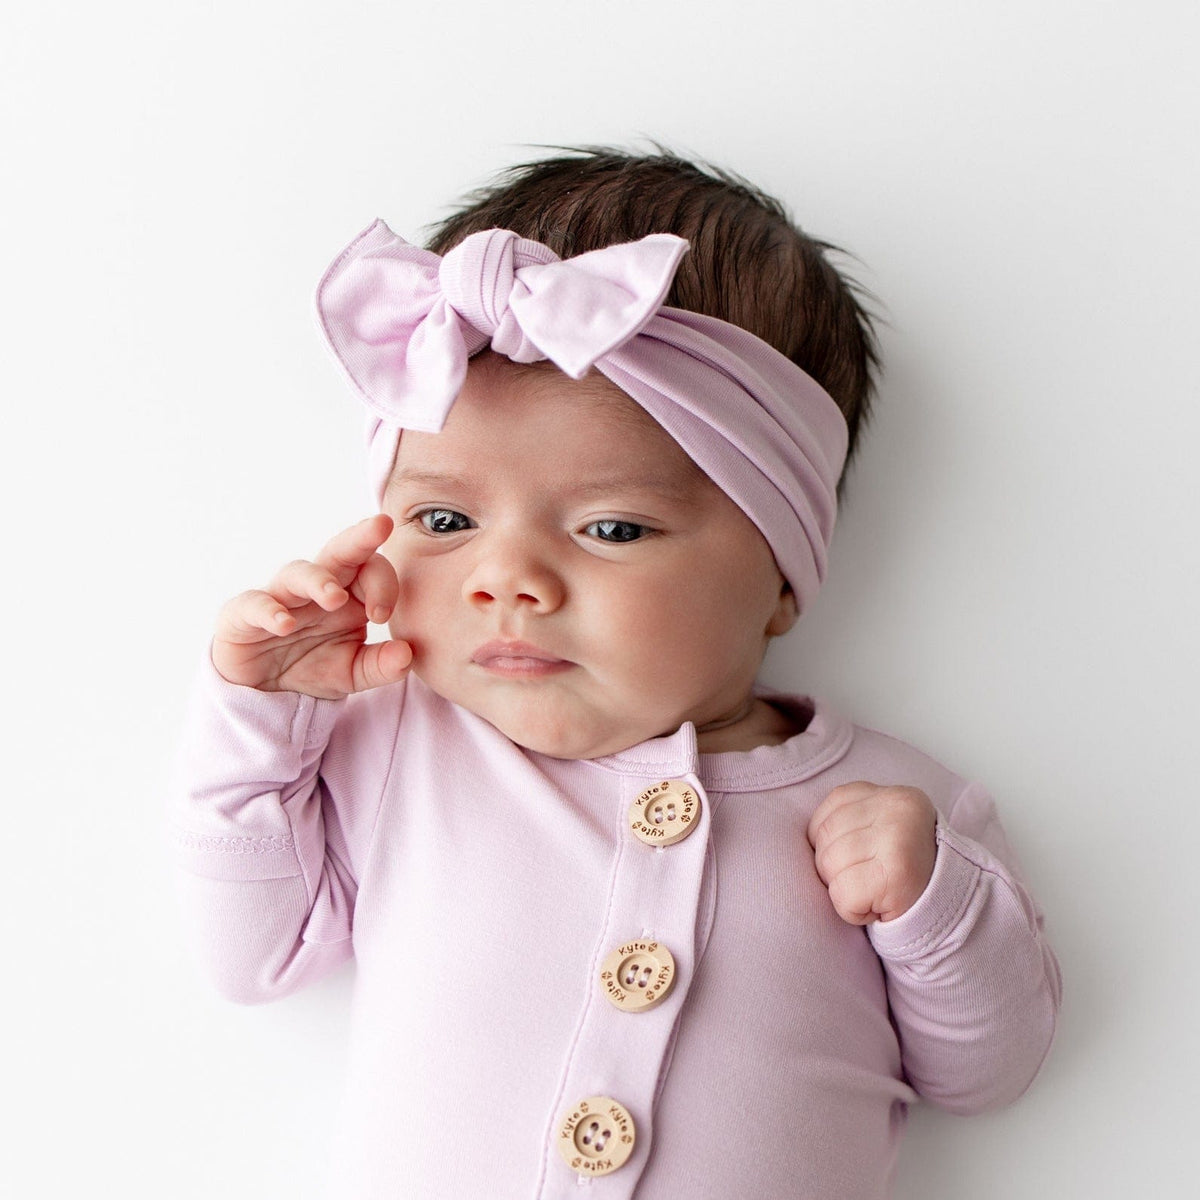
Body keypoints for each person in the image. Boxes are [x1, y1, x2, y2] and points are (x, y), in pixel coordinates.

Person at [170, 147, 1061, 1199]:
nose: (509, 581)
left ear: (781, 577)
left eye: (613, 526)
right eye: (445, 520)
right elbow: (252, 956)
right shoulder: (404, 747)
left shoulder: (899, 807)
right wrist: (266, 716)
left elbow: (986, 1070)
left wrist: (932, 905)